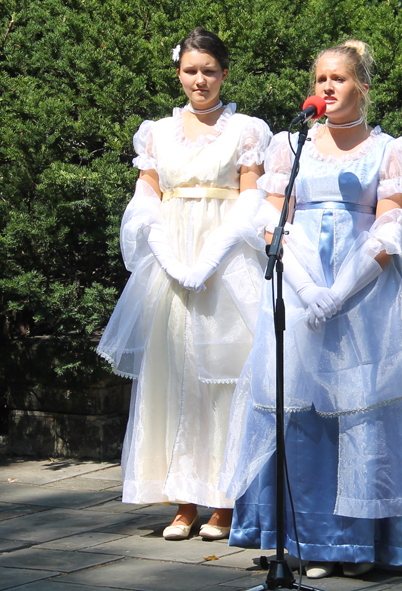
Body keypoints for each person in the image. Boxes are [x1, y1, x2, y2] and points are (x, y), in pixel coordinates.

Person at [219, 39, 402, 578]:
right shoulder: (288, 145)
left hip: (363, 298)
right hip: (301, 294)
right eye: (320, 77)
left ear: (362, 86)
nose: (326, 87)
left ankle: (358, 544)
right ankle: (307, 541)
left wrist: (341, 290)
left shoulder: (391, 150)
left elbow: (390, 228)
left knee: (359, 411)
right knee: (301, 408)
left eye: (338, 79)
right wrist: (303, 287)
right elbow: (270, 220)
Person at [97, 28, 271, 541]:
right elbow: (146, 194)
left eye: (210, 71)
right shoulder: (156, 131)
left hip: (224, 261)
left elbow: (251, 197)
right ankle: (183, 500)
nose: (201, 80)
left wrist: (214, 253)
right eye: (192, 70)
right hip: (172, 261)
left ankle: (224, 500)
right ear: (179, 72)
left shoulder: (246, 129)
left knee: (223, 377)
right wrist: (164, 248)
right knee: (174, 376)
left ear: (223, 73)